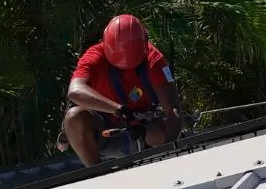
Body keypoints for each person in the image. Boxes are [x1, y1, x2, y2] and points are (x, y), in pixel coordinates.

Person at [61, 14, 183, 167]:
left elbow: (172, 109)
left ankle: (156, 159)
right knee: (74, 117)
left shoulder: (155, 60)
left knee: (165, 131)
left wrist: (170, 150)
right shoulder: (93, 56)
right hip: (106, 132)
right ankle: (97, 174)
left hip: (145, 131)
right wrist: (117, 109)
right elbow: (75, 91)